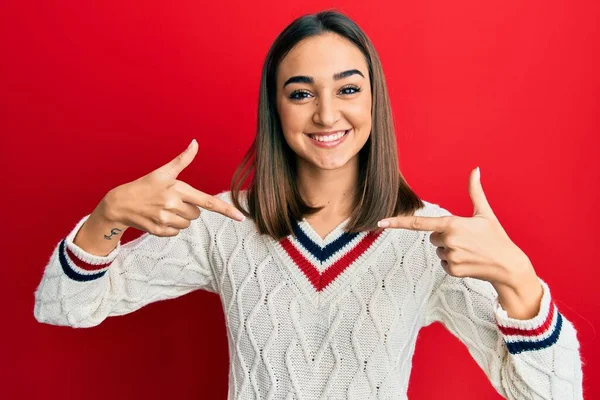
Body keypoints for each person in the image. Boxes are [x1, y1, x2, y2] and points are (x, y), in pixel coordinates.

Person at [34, 10, 583, 399]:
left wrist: (519, 279)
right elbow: (64, 306)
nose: (326, 114)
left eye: (348, 89)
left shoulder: (431, 241)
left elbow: (551, 395)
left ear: (374, 100)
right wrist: (107, 217)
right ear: (276, 110)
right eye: (301, 93)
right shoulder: (224, 225)